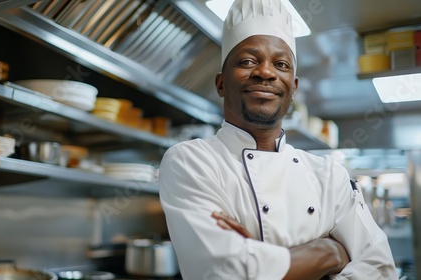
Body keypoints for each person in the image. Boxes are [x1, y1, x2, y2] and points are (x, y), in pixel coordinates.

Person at [158, 0, 398, 279]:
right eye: (248, 61)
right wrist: (328, 253)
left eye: (281, 64)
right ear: (221, 84)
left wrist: (259, 257)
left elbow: (380, 269)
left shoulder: (329, 175)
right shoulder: (192, 161)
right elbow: (228, 271)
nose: (266, 72)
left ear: (293, 87)